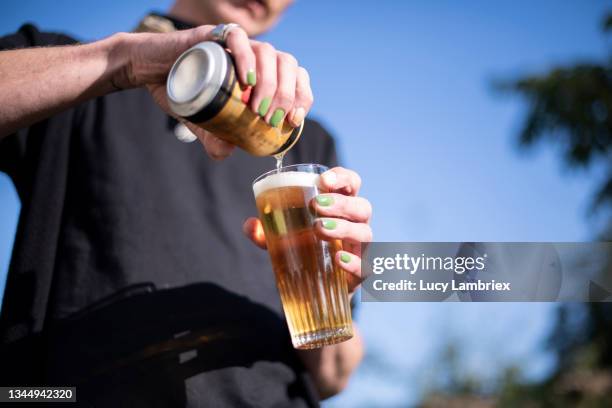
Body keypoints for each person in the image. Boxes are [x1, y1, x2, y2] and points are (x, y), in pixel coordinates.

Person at [0, 0, 372, 406]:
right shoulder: (75, 78)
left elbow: (334, 376)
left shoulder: (301, 135)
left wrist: (334, 288)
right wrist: (124, 61)